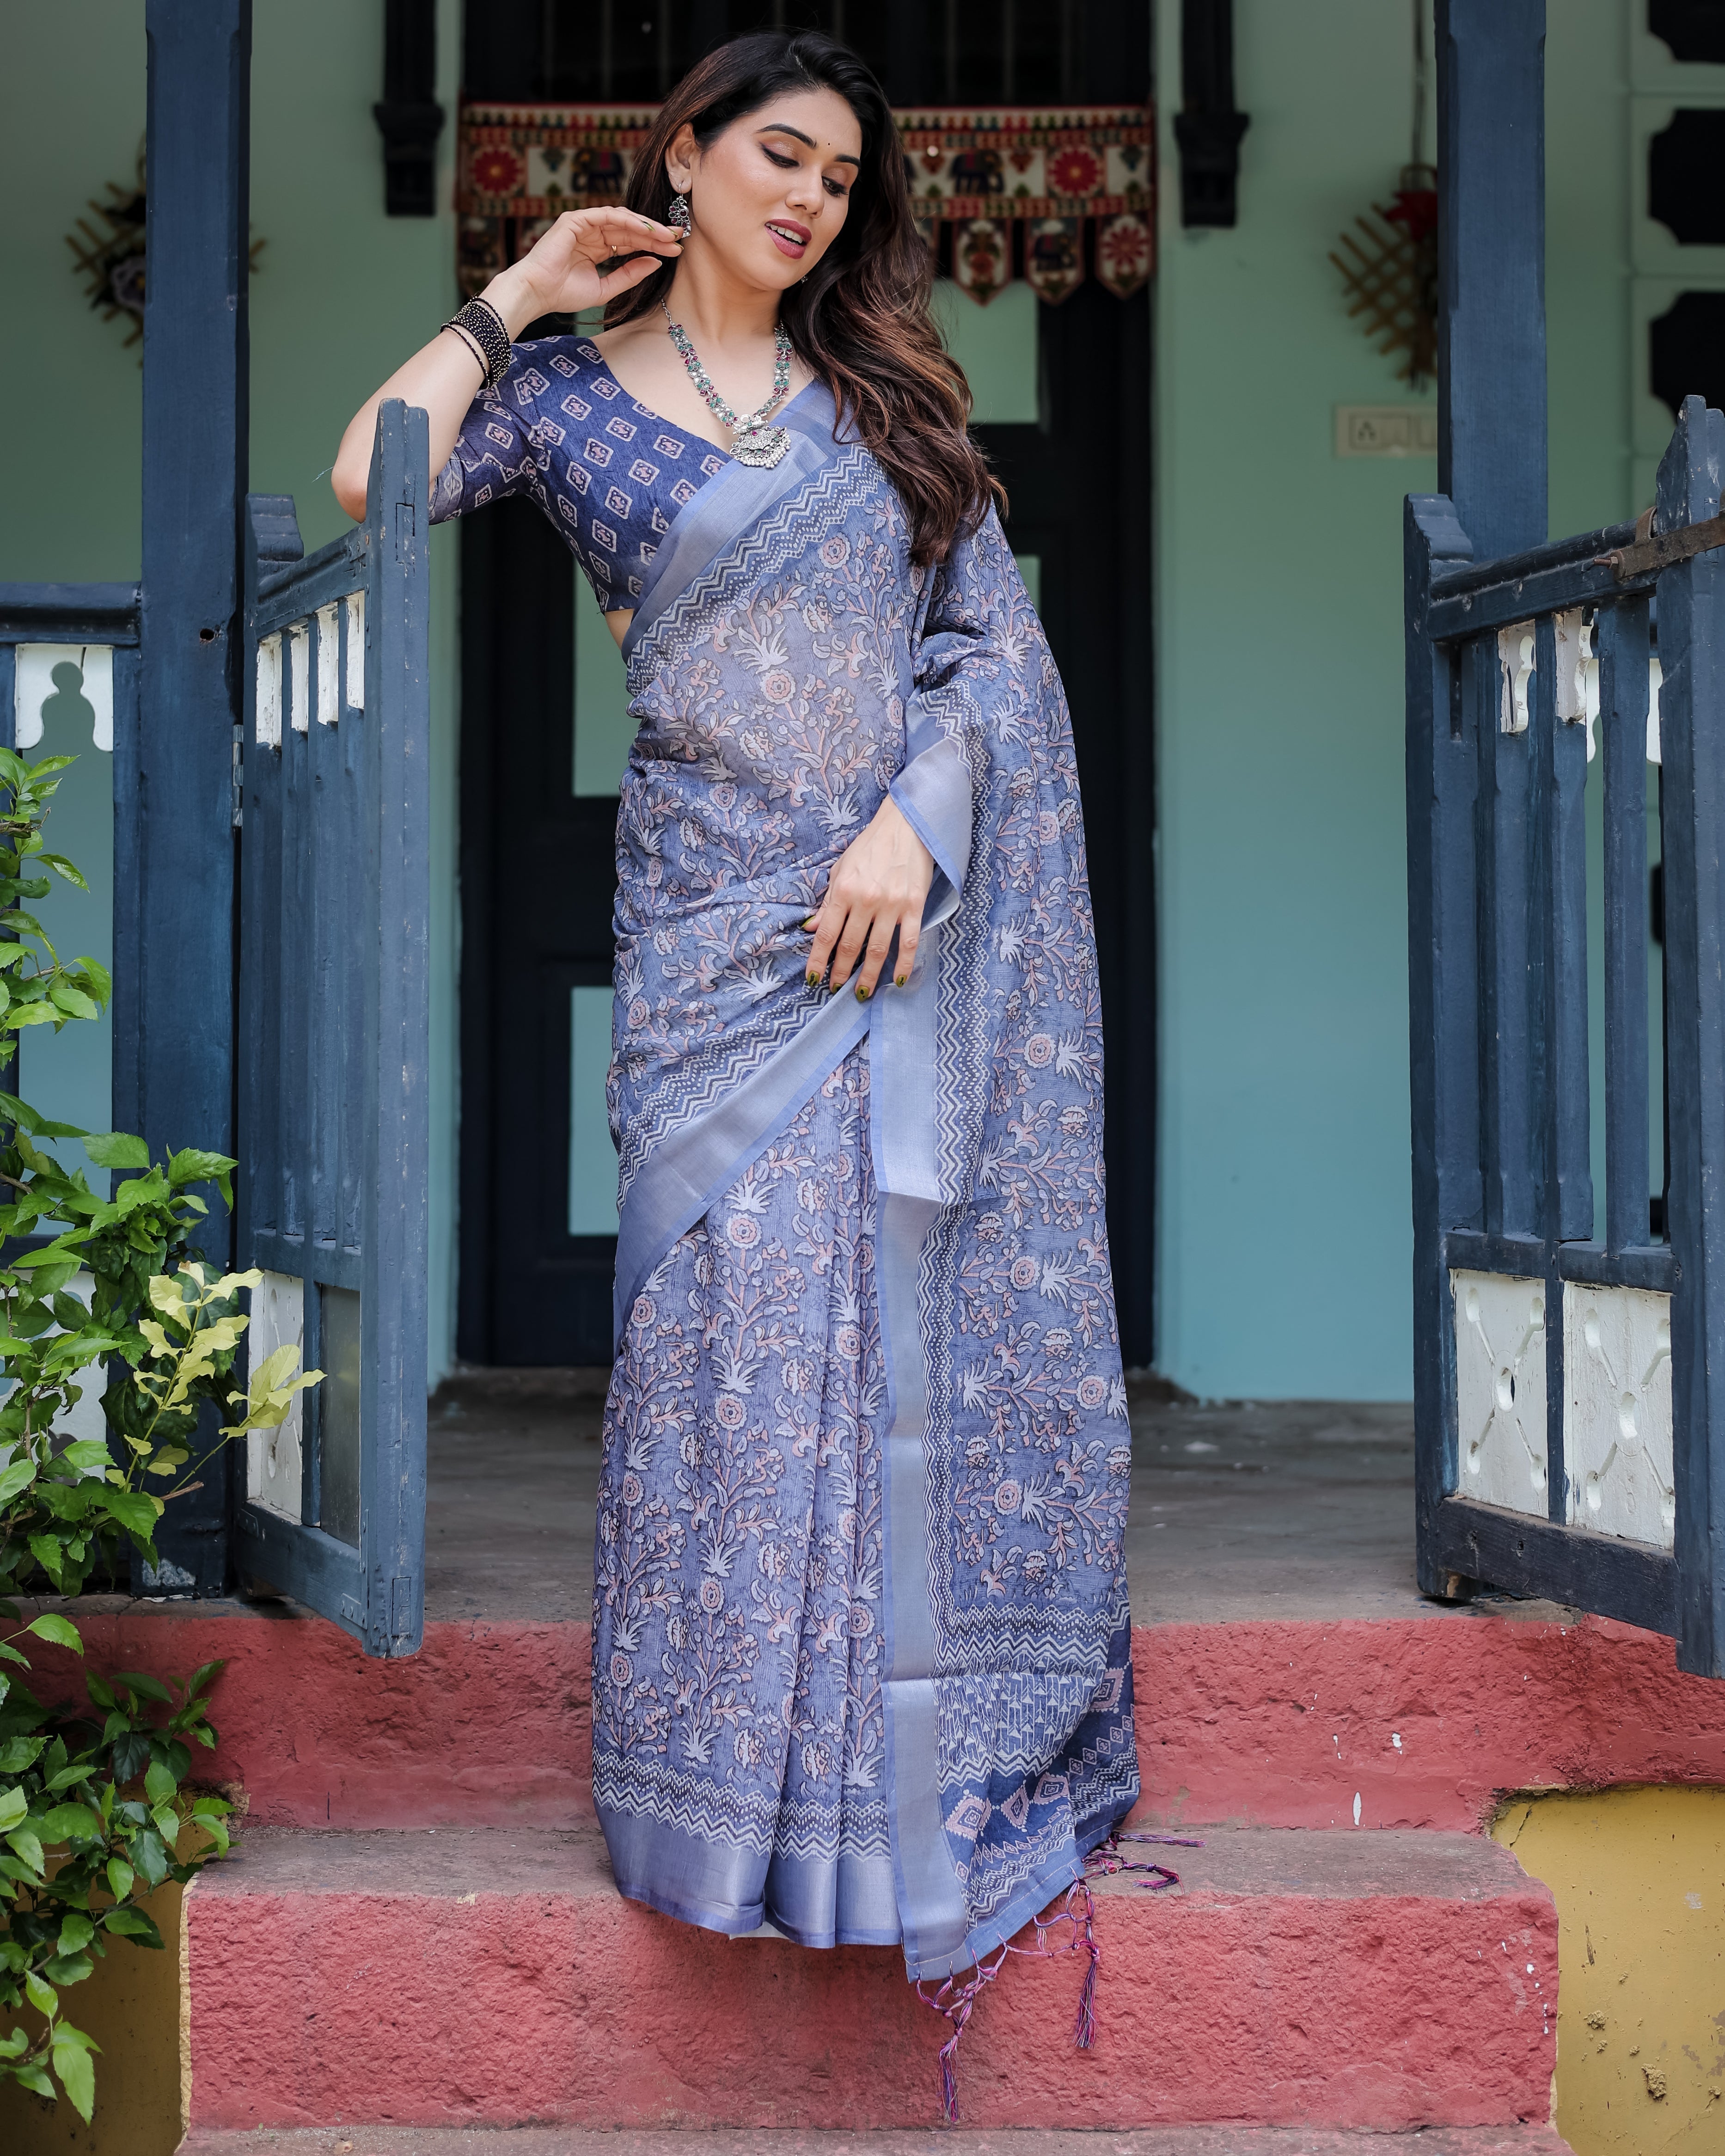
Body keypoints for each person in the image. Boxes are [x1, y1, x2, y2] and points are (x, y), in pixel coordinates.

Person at [335, 23, 1136, 2049]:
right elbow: (368, 479)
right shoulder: (566, 407)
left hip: (887, 925)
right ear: (683, 158)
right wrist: (512, 291)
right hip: (706, 948)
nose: (808, 200)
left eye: (839, 180)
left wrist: (913, 821)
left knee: (878, 1347)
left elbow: (990, 653)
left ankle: (879, 1819)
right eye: (776, 156)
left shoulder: (888, 403)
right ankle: (722, 1815)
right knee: (735, 1357)